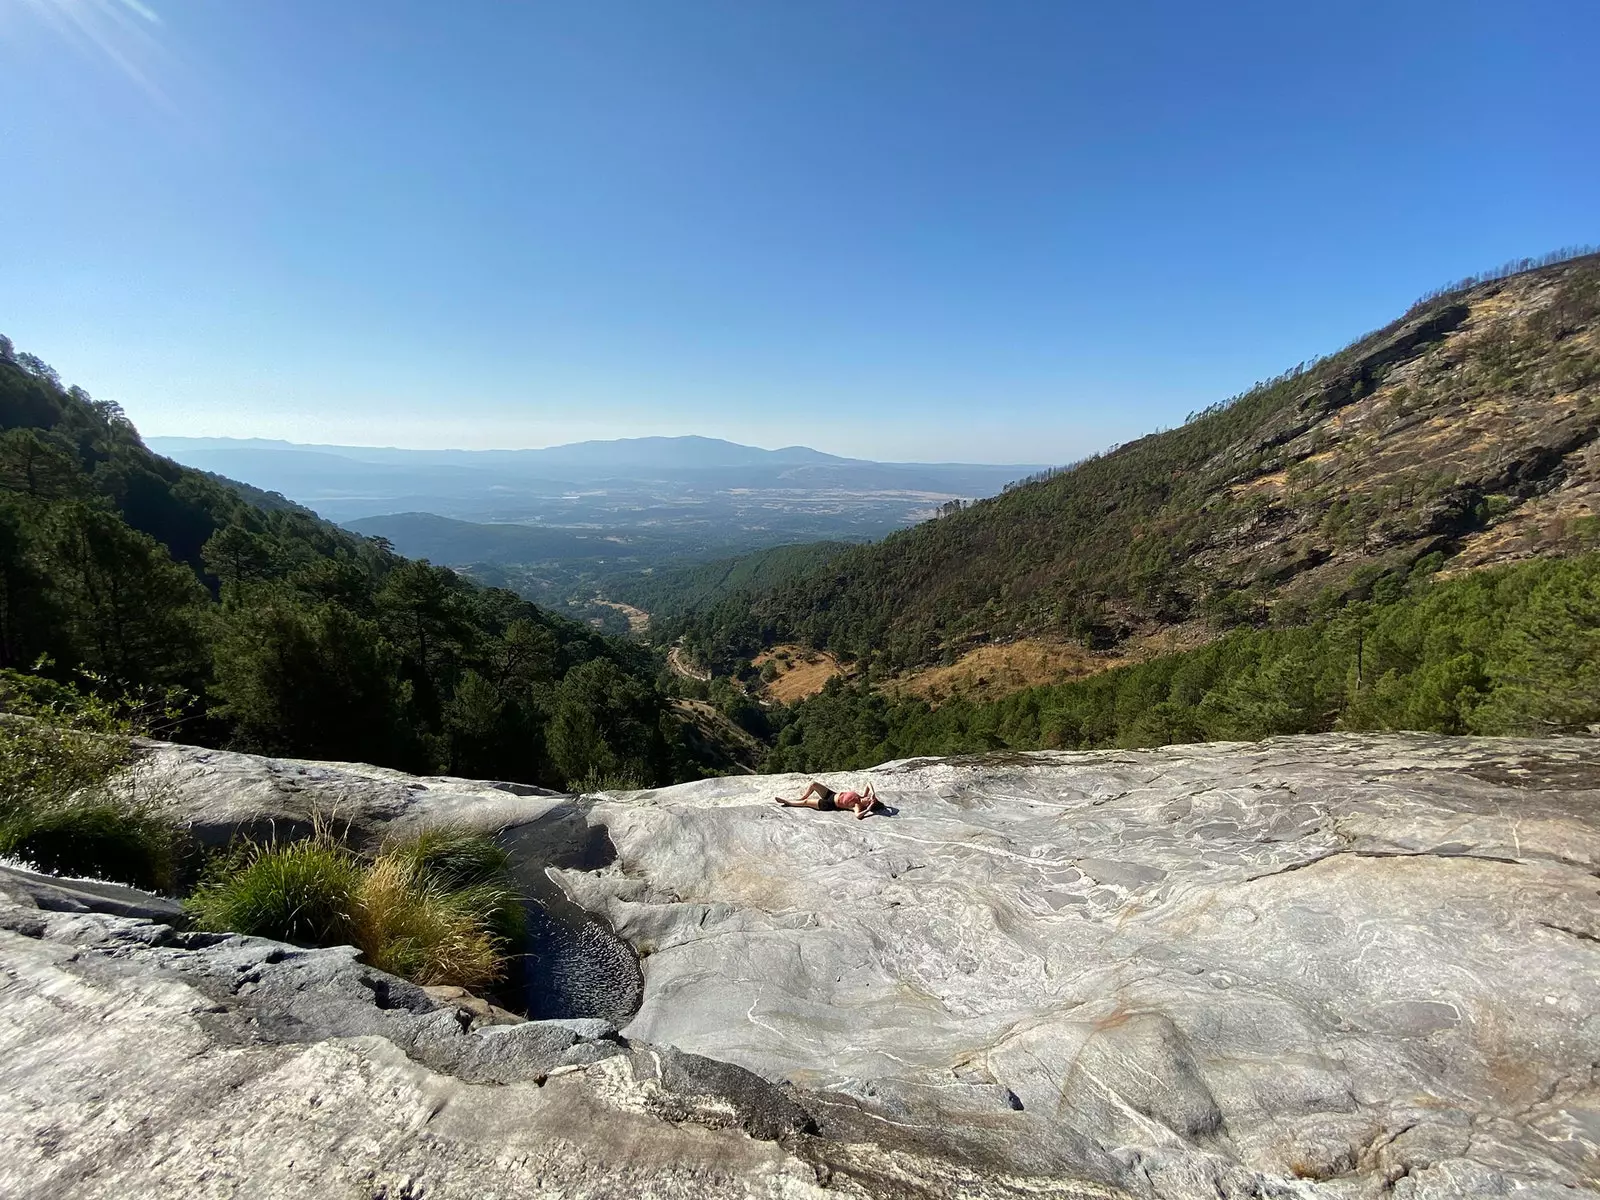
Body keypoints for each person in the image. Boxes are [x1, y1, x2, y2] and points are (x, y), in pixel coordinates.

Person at [774, 780, 884, 820]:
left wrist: (869, 808)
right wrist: (873, 793)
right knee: (813, 784)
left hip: (829, 804)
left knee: (806, 803)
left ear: (867, 805)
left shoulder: (857, 806)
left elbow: (858, 816)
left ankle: (788, 802)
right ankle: (802, 797)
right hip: (831, 794)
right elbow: (868, 783)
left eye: (869, 800)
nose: (868, 797)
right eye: (869, 797)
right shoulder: (861, 796)